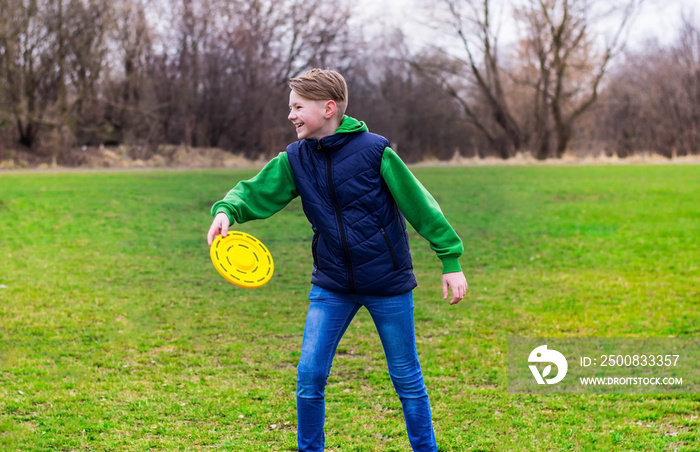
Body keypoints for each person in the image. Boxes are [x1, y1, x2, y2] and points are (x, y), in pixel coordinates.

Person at [207, 68, 468, 452]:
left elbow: (420, 206)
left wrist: (450, 260)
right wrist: (228, 210)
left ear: (328, 108)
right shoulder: (295, 159)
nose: (291, 115)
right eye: (290, 107)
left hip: (387, 284)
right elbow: (255, 191)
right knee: (309, 377)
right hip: (331, 285)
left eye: (298, 107)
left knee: (407, 379)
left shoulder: (376, 151)